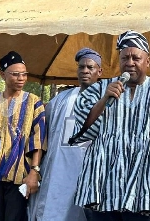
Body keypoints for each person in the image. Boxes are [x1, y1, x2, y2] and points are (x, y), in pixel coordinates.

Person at [69, 30, 150, 221]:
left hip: (145, 184)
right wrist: (104, 99)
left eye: (135, 58)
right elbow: (82, 128)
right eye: (125, 58)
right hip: (103, 182)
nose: (130, 63)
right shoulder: (99, 89)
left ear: (147, 61)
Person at [28, 48, 102, 221]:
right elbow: (42, 132)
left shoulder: (107, 99)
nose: (85, 71)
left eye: (90, 67)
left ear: (100, 71)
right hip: (56, 173)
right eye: (81, 67)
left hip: (87, 175)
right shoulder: (61, 100)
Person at [0, 51, 46, 221]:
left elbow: (38, 139)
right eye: (15, 74)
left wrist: (34, 172)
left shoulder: (34, 102)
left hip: (20, 178)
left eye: (24, 74)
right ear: (3, 75)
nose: (21, 78)